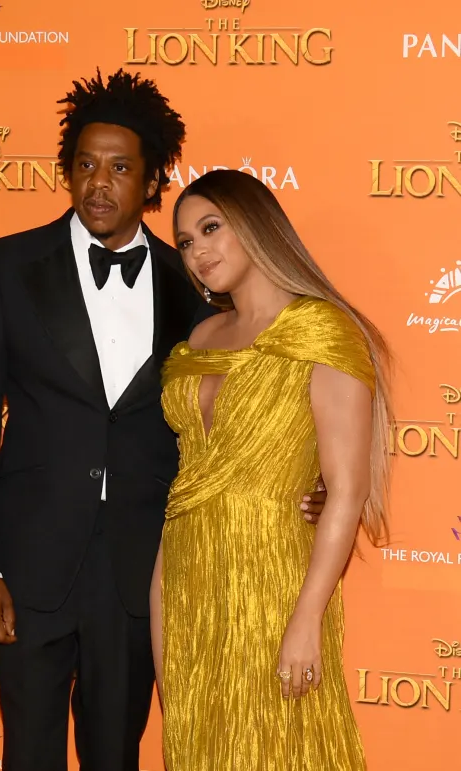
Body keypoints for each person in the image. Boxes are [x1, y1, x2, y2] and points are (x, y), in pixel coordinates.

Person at [0, 71, 326, 771]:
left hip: (141, 568)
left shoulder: (193, 283)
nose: (99, 182)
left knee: (115, 754)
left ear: (150, 180)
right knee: (27, 754)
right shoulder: (7, 266)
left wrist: (308, 479)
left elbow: (243, 406)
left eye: (120, 167)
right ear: (67, 170)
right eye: (86, 164)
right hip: (26, 567)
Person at [150, 169, 393, 771]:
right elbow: (186, 483)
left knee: (284, 745)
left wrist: (307, 616)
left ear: (257, 227)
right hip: (183, 571)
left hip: (275, 575)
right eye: (184, 242)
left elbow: (346, 489)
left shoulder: (321, 331)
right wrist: (160, 596)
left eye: (211, 228)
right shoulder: (202, 335)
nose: (198, 251)